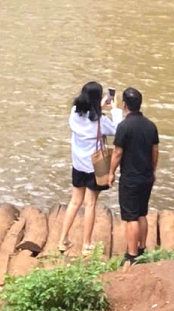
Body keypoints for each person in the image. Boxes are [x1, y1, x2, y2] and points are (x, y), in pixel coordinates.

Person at [108, 87, 160, 258]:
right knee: (142, 213)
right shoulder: (150, 126)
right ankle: (143, 246)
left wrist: (110, 172)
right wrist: (152, 170)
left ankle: (132, 254)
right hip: (146, 176)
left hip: (130, 178)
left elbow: (117, 153)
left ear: (124, 105)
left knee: (131, 218)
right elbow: (155, 151)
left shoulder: (124, 126)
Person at [59, 81, 109, 255]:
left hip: (78, 164)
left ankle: (63, 239)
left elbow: (87, 115)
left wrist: (99, 107)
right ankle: (86, 244)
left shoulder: (74, 113)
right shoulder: (100, 120)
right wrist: (115, 110)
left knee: (74, 201)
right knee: (90, 204)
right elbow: (116, 128)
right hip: (94, 166)